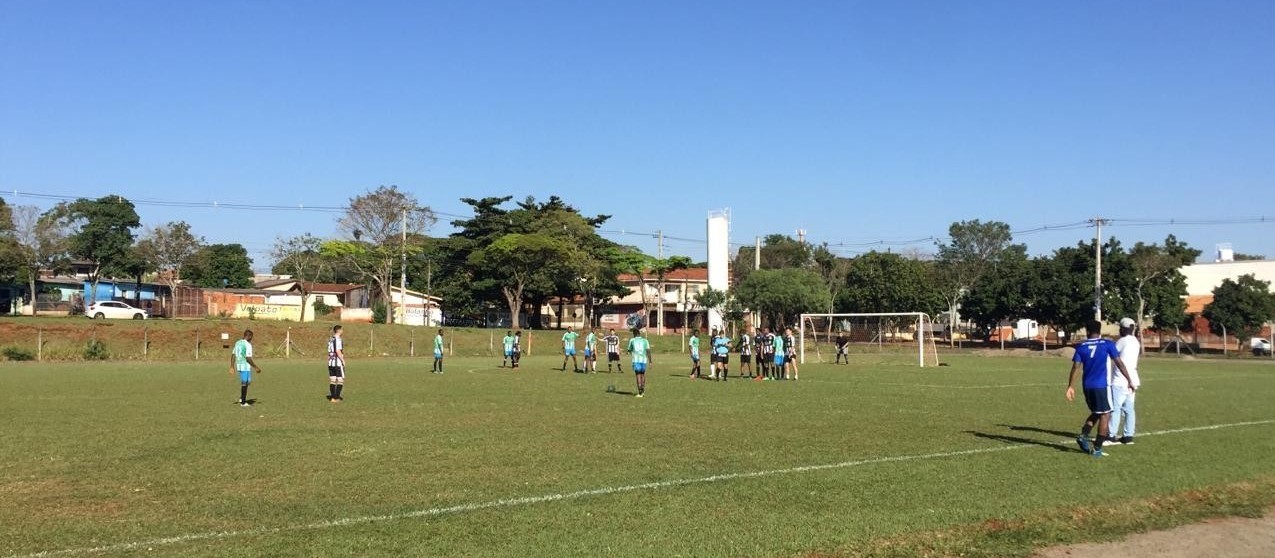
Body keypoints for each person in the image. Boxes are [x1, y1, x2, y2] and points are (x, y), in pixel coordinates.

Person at [1066, 319, 1134, 457]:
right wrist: (1129, 379)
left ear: (1087, 331)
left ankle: (1083, 435)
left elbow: (1075, 367)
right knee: (1106, 414)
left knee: (1097, 412)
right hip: (1102, 386)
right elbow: (1119, 363)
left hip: (1087, 386)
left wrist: (1070, 386)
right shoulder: (1107, 344)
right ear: (1099, 331)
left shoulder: (1081, 346)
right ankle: (1097, 448)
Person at [1108, 318, 1142, 445]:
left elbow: (1112, 354)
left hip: (1120, 379)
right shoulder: (1136, 341)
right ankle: (1128, 436)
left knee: (1115, 408)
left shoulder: (1122, 341)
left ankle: (1111, 435)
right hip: (1133, 378)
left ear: (1123, 328)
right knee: (1129, 409)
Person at [230, 329, 262, 406]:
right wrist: (255, 367)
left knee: (247, 382)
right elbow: (248, 358)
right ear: (249, 336)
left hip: (239, 365)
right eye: (251, 337)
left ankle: (242, 398)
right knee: (244, 383)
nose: (251, 339)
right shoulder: (247, 345)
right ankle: (243, 402)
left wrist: (232, 366)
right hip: (245, 366)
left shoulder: (237, 342)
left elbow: (233, 354)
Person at [627, 329, 652, 398]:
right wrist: (650, 361)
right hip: (644, 360)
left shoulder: (632, 340)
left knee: (638, 375)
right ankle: (643, 391)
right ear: (639, 334)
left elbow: (629, 349)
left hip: (636, 360)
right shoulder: (645, 340)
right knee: (642, 375)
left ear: (634, 334)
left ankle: (640, 393)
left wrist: (630, 351)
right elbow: (648, 351)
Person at [327, 325, 346, 402]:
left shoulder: (330, 339)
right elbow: (338, 351)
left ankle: (332, 398)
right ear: (339, 330)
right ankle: (336, 397)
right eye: (342, 330)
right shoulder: (338, 340)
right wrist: (342, 360)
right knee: (340, 380)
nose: (343, 331)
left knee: (332, 380)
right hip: (337, 362)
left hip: (330, 362)